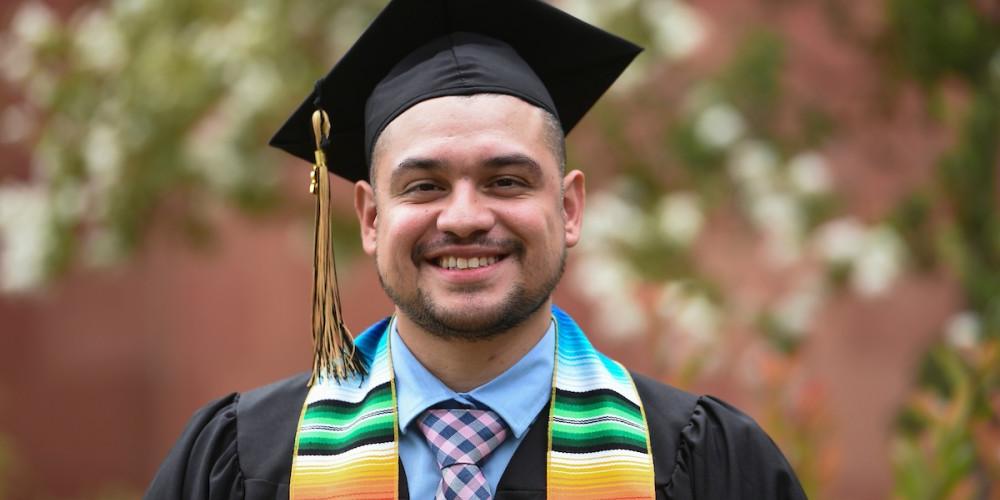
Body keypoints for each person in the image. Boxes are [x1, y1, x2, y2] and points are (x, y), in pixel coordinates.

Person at [146, 0, 807, 498]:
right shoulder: (241, 463)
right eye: (426, 185)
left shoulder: (709, 467)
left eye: (506, 181)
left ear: (569, 208)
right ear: (371, 217)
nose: (463, 218)